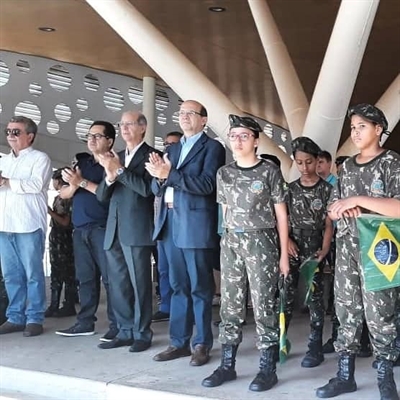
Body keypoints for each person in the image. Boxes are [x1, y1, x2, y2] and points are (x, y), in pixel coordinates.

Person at [316, 104, 399, 399]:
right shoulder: (347, 166)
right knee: (346, 310)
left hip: (380, 251)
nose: (355, 132)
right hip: (348, 248)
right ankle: (344, 375)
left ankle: (385, 377)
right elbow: (335, 205)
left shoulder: (391, 163)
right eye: (352, 127)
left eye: (362, 126)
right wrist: (336, 210)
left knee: (381, 313)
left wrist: (358, 200)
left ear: (378, 129)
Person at [202, 115, 289, 391]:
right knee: (230, 304)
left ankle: (267, 367)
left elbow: (281, 216)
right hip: (232, 243)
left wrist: (284, 254)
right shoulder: (224, 173)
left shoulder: (269, 171)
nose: (237, 141)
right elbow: (224, 213)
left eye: (243, 136)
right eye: (233, 135)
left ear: (255, 140)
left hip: (262, 241)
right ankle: (227, 365)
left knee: (264, 303)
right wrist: (225, 244)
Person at [146, 100, 225, 366]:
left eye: (190, 113)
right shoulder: (174, 148)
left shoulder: (213, 147)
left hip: (194, 224)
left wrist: (170, 173)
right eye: (181, 113)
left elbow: (206, 185)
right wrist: (158, 176)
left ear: (204, 120)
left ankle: (201, 343)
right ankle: (178, 342)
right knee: (177, 286)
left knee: (200, 288)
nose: (184, 117)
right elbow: (157, 189)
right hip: (168, 222)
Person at [96, 111, 159, 353]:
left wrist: (120, 171)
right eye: (121, 124)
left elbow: (146, 190)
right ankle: (124, 331)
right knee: (118, 284)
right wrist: (111, 176)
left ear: (142, 128)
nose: (124, 128)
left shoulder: (152, 155)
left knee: (140, 284)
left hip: (137, 230)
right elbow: (102, 196)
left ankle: (142, 333)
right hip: (114, 230)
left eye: (129, 124)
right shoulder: (116, 156)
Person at [55, 121, 117, 341]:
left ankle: (116, 325)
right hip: (80, 229)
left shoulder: (113, 162)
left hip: (103, 227)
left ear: (109, 140)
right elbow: (63, 193)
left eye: (97, 136)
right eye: (89, 136)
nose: (91, 140)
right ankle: (85, 322)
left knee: (111, 279)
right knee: (85, 279)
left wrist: (80, 183)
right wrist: (73, 185)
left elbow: (105, 193)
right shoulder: (82, 161)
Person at [0, 116, 52, 337]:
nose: (11, 135)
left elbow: (36, 184)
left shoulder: (41, 158)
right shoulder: (4, 160)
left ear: (30, 136)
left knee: (32, 274)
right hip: (5, 224)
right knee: (11, 275)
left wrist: (7, 182)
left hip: (28, 224)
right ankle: (15, 317)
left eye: (16, 132)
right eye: (8, 131)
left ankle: (34, 318)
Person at [286, 137, 333, 368]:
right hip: (293, 245)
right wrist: (285, 240)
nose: (304, 168)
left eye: (309, 162)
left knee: (315, 298)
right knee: (285, 294)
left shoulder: (327, 190)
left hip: (316, 247)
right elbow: (281, 219)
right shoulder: (290, 189)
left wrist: (324, 250)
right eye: (299, 162)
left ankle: (315, 347)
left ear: (318, 161)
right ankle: (280, 343)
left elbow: (328, 224)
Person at [152, 131, 183, 323]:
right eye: (166, 143)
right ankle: (166, 306)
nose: (168, 147)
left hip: (180, 220)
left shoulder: (184, 165)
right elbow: (154, 190)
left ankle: (181, 309)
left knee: (179, 270)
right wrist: (161, 175)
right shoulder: (160, 165)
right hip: (161, 221)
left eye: (173, 144)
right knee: (163, 267)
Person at [45, 168, 77, 318]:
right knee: (56, 273)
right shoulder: (58, 197)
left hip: (64, 239)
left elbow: (65, 222)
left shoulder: (67, 197)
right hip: (56, 237)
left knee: (67, 273)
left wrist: (50, 212)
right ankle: (54, 305)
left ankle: (68, 304)